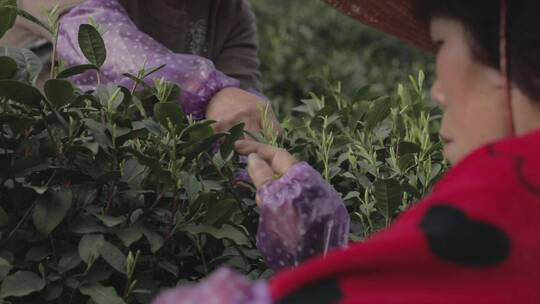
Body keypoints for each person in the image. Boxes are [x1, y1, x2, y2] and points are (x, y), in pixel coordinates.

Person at [151, 0, 540, 303]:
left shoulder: (502, 201)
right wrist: (319, 245)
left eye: (440, 44)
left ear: (505, 51)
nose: (437, 91)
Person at [0, 0, 279, 134]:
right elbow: (96, 39)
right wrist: (212, 91)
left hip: (148, 198)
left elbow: (245, 111)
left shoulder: (230, 13)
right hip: (41, 170)